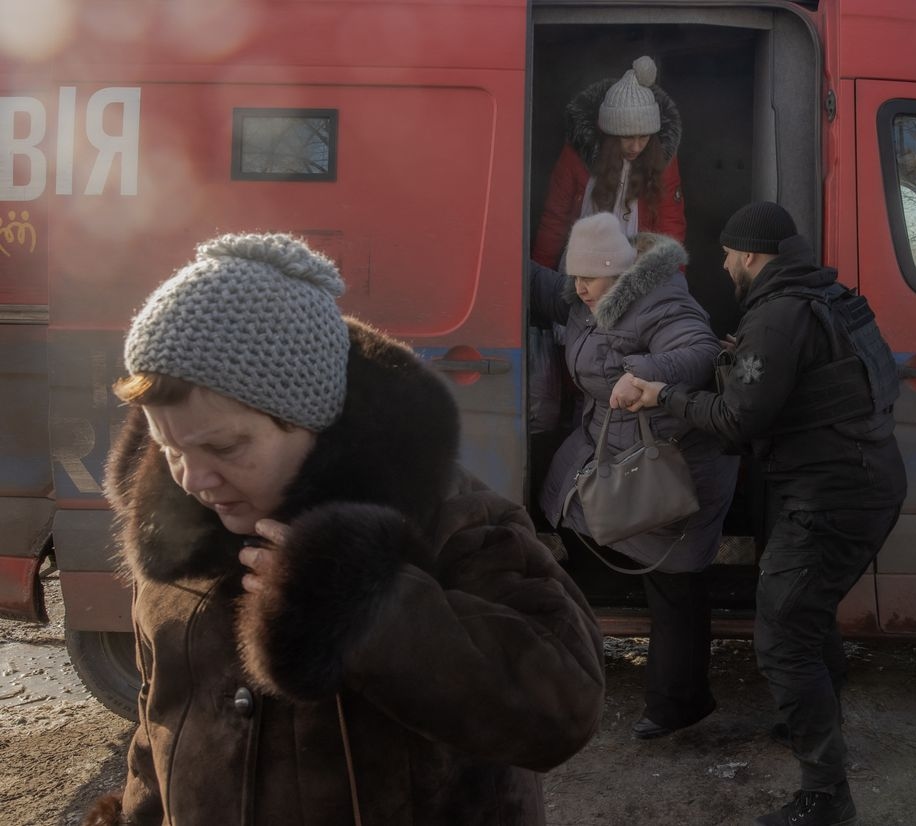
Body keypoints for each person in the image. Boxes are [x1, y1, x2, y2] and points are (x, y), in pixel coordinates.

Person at [82, 233, 605, 826]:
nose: (193, 479)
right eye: (169, 445)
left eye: (224, 446)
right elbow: (160, 735)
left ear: (312, 419)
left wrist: (361, 603)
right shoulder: (180, 549)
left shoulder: (452, 520)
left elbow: (564, 706)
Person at [626, 202, 907, 826]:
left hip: (831, 497)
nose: (725, 266)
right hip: (862, 482)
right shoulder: (825, 295)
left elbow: (735, 423)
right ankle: (811, 724)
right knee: (806, 617)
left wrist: (664, 394)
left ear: (751, 255)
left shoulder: (777, 315)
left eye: (728, 256)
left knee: (782, 637)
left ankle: (825, 796)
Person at [529, 212, 737, 739]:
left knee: (676, 581)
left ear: (620, 275)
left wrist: (644, 373)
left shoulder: (663, 301)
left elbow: (701, 350)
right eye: (574, 275)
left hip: (671, 460)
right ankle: (586, 653)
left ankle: (679, 703)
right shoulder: (584, 297)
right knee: (574, 529)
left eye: (589, 278)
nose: (579, 287)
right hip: (606, 448)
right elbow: (535, 282)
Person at [532, 55, 686, 269]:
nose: (636, 147)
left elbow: (670, 222)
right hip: (581, 271)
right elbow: (555, 218)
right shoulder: (577, 154)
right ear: (609, 135)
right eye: (627, 137)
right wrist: (539, 276)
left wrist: (673, 280)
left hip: (635, 274)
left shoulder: (662, 158)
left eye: (644, 137)